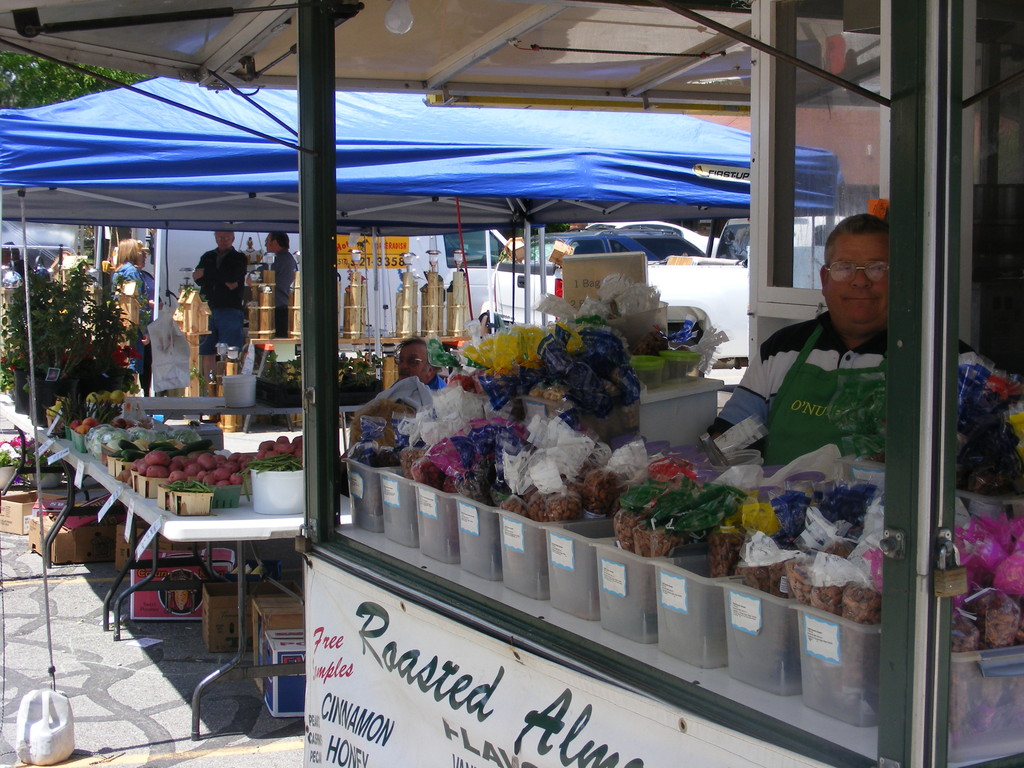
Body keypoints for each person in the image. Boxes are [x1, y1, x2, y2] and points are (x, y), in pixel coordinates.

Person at [710, 213, 890, 465]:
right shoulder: (781, 350)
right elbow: (731, 439)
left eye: (877, 268)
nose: (860, 281)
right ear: (825, 280)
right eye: (844, 268)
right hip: (774, 503)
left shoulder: (940, 360)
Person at [192, 230, 247, 381]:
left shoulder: (239, 258)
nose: (223, 240)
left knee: (231, 351)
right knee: (207, 350)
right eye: (220, 237)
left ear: (233, 239)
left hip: (229, 309)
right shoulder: (207, 256)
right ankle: (210, 386)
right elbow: (197, 277)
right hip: (208, 309)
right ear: (216, 238)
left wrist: (208, 273)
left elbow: (233, 281)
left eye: (227, 237)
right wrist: (221, 277)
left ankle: (230, 384)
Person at [112, 238, 156, 393]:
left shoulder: (119, 271)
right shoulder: (133, 272)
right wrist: (144, 331)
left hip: (123, 322)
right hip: (135, 324)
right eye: (140, 252)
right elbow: (139, 303)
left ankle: (125, 395)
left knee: (124, 360)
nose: (143, 255)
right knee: (134, 363)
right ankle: (133, 398)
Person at [264, 232, 297, 338]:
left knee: (276, 343)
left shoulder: (277, 260)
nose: (265, 245)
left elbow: (251, 279)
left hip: (276, 309)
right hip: (286, 307)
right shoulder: (290, 259)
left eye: (267, 242)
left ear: (274, 242)